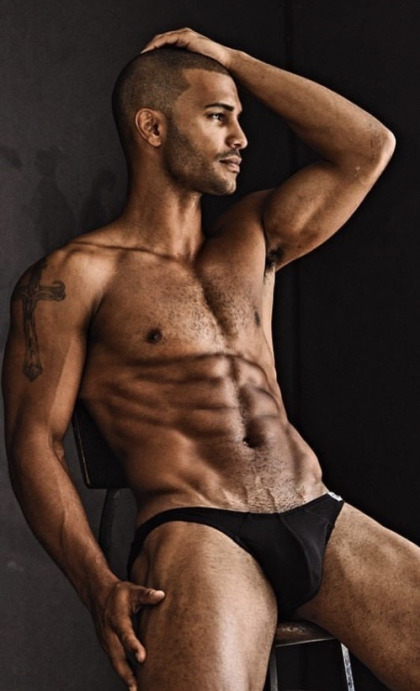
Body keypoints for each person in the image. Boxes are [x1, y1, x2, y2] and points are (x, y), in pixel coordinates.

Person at [2, 27, 418, 691]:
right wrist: (97, 585)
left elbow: (368, 147)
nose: (241, 138)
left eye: (239, 117)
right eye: (218, 117)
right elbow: (33, 442)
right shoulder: (74, 277)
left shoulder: (254, 236)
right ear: (153, 127)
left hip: (317, 511)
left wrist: (231, 61)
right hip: (200, 530)